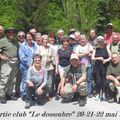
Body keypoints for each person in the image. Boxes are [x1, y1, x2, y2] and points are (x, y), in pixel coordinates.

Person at [0, 27, 18, 104]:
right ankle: (2, 96)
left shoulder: (15, 41)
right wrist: (1, 57)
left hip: (15, 63)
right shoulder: (2, 41)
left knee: (12, 80)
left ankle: (9, 94)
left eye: (12, 32)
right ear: (7, 33)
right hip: (6, 63)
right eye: (9, 32)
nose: (11, 34)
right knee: (4, 80)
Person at [92, 36, 111, 101]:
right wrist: (98, 58)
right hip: (97, 67)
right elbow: (92, 58)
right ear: (97, 42)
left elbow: (110, 57)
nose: (100, 42)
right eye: (98, 41)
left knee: (104, 81)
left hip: (105, 66)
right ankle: (97, 93)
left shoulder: (106, 48)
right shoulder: (95, 49)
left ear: (103, 41)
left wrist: (106, 60)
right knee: (98, 81)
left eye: (101, 41)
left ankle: (103, 93)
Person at [19, 32, 37, 100]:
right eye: (27, 37)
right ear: (25, 38)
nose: (29, 38)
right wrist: (29, 64)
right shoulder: (23, 46)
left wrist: (34, 64)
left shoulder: (34, 45)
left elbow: (36, 55)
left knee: (32, 80)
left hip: (33, 66)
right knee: (25, 80)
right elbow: (22, 57)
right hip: (25, 67)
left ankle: (32, 94)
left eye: (30, 36)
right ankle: (24, 94)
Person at [36, 34, 54, 100]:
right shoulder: (39, 48)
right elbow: (36, 57)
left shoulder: (50, 48)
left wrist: (50, 59)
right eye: (44, 39)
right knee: (41, 81)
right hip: (41, 67)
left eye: (46, 39)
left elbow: (54, 56)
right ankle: (41, 94)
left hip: (49, 67)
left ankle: (47, 94)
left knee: (49, 82)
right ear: (42, 40)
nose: (45, 40)